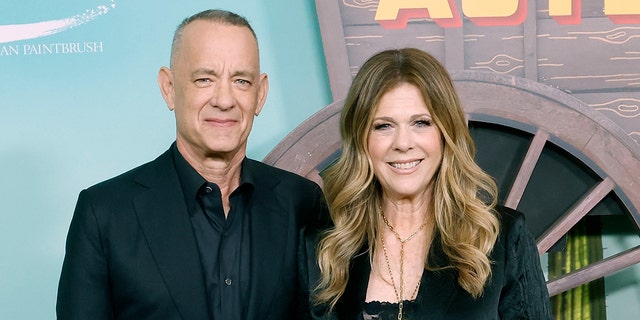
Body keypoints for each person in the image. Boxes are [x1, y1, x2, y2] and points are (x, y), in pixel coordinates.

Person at [56, 9, 327, 320]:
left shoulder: (302, 202)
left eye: (241, 80)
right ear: (169, 88)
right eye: (204, 79)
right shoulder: (104, 213)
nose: (224, 100)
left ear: (260, 94)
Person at [299, 48, 552, 319]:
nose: (403, 143)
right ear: (361, 140)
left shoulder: (503, 238)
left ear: (446, 133)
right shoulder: (322, 246)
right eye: (383, 126)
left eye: (421, 123)